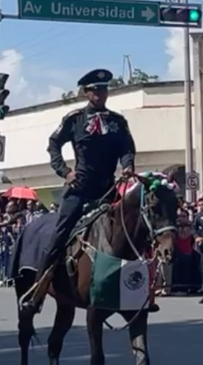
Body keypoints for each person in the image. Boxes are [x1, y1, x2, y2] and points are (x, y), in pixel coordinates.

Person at [22, 69, 137, 313]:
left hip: (108, 189)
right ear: (86, 92)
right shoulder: (75, 119)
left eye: (104, 89)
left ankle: (140, 287)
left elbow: (127, 147)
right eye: (95, 90)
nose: (100, 93)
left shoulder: (117, 122)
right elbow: (53, 144)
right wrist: (65, 172)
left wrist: (128, 166)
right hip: (80, 188)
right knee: (60, 233)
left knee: (134, 229)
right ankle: (39, 289)